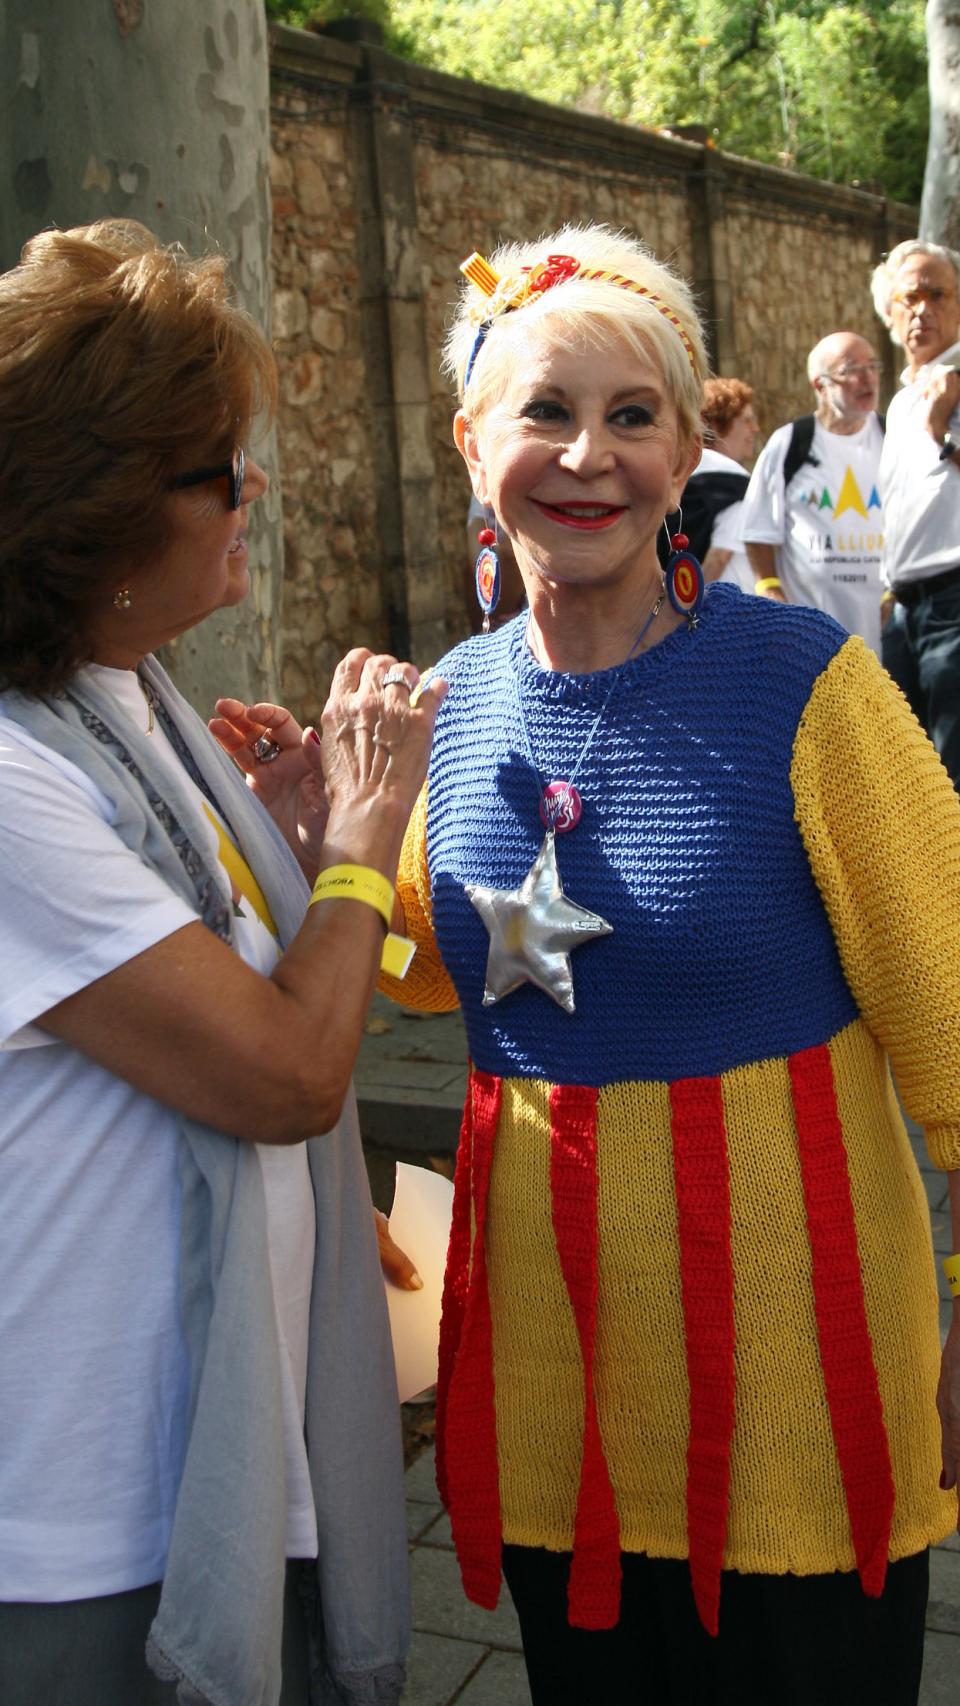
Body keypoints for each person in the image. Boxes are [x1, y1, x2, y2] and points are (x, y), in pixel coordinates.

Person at [369, 226, 960, 1706]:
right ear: (472, 445)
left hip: (800, 1414)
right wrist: (332, 830)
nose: (589, 456)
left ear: (689, 449)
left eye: (633, 416)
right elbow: (429, 970)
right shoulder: (455, 699)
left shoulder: (810, 687)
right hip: (557, 1406)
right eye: (545, 412)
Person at [0, 219, 444, 1706]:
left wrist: (281, 839)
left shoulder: (135, 702)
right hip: (81, 1521)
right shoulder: (13, 768)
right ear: (98, 511)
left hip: (194, 1457)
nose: (253, 488)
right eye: (217, 469)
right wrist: (362, 839)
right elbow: (285, 1073)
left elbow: (198, 982)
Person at [870, 239, 960, 788]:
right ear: (890, 313)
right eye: (910, 298)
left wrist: (942, 428)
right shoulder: (901, 401)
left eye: (937, 295)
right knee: (914, 786)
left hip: (954, 602)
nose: (922, 309)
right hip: (905, 613)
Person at [740, 331, 886, 653]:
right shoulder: (790, 443)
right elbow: (758, 530)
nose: (867, 378)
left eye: (872, 366)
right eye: (851, 369)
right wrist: (769, 588)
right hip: (813, 641)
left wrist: (899, 593)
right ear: (820, 384)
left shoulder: (892, 438)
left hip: (888, 636)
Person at [681, 376, 758, 593]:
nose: (755, 428)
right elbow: (720, 556)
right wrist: (691, 605)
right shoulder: (734, 480)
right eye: (747, 420)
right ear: (715, 426)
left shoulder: (678, 471)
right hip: (723, 602)